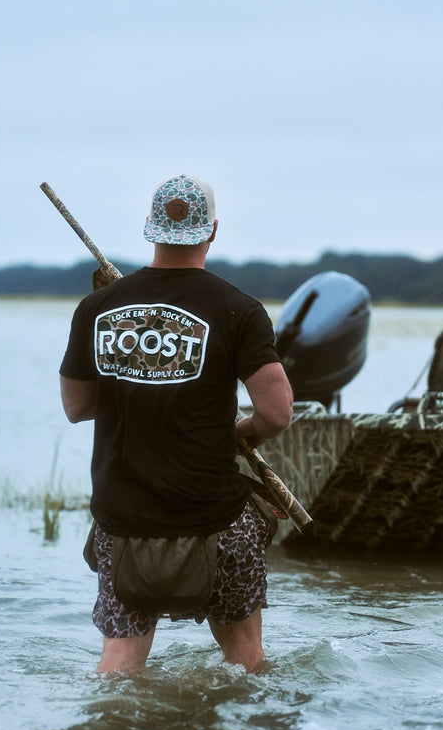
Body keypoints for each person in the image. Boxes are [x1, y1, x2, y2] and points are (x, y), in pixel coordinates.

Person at [59, 174, 293, 675]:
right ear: (213, 231)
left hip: (122, 527)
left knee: (118, 667)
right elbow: (276, 413)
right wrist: (239, 432)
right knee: (246, 662)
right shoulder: (240, 310)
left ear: (151, 228)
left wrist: (137, 379)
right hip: (217, 524)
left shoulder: (97, 309)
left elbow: (76, 407)